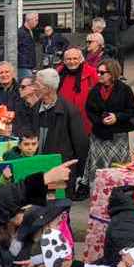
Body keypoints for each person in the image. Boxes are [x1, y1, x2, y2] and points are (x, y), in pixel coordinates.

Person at [22, 69, 89, 197]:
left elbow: (81, 145)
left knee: (59, 209)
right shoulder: (35, 108)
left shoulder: (69, 111)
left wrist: (78, 173)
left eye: (37, 85)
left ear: (48, 89)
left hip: (59, 169)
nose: (34, 88)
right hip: (37, 168)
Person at [83, 58, 134, 191]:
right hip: (99, 135)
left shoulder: (125, 89)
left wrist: (117, 117)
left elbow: (132, 109)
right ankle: (99, 193)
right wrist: (100, 120)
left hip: (118, 136)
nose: (98, 75)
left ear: (112, 74)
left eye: (102, 73)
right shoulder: (95, 90)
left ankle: (119, 192)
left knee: (118, 167)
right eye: (98, 72)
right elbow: (89, 110)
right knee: (98, 167)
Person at [57, 47, 99, 135]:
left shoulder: (91, 72)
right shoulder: (58, 73)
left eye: (75, 58)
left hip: (85, 118)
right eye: (68, 59)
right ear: (64, 61)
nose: (72, 62)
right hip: (64, 118)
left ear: (81, 59)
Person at [17, 13, 41, 80]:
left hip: (28, 66)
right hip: (23, 66)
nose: (37, 22)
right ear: (29, 20)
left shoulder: (30, 32)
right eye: (36, 20)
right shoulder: (20, 33)